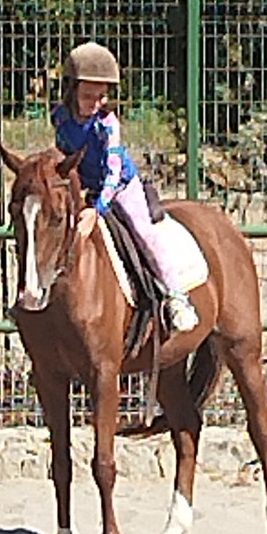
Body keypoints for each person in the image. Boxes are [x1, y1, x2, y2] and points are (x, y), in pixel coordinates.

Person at [53, 42, 199, 333]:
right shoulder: (59, 117)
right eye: (87, 96)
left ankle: (176, 296)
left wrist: (98, 209)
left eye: (102, 96)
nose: (96, 103)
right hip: (84, 186)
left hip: (118, 187)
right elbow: (63, 154)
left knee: (144, 233)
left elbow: (113, 170)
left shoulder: (107, 124)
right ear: (71, 91)